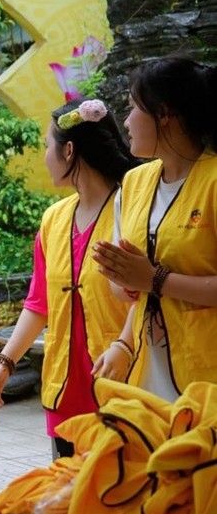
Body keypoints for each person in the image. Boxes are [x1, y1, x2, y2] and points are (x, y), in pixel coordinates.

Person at [0, 99, 137, 458]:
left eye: (47, 147)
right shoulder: (53, 219)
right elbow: (39, 303)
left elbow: (145, 298)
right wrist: (5, 362)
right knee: (71, 501)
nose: (45, 156)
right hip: (65, 389)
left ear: (69, 150)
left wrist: (125, 345)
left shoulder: (131, 210)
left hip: (124, 386)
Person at [92, 57, 217, 401]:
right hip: (148, 374)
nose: (127, 121)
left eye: (133, 108)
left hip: (206, 382)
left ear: (164, 115)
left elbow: (151, 281)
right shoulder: (134, 183)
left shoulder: (214, 181)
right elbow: (136, 291)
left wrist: (153, 279)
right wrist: (123, 338)